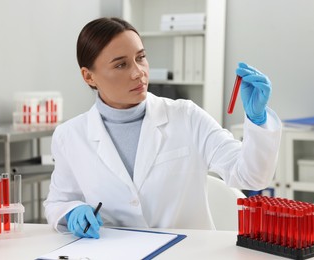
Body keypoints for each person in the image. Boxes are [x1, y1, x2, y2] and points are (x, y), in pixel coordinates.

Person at [43, 17, 282, 239]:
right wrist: (72, 211)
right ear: (89, 77)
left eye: (141, 57)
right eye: (121, 65)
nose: (138, 72)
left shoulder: (186, 116)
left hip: (186, 252)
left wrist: (258, 119)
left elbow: (252, 176)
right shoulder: (70, 136)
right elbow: (58, 202)